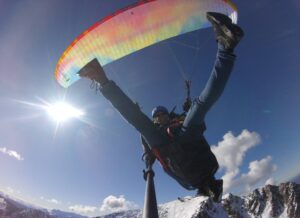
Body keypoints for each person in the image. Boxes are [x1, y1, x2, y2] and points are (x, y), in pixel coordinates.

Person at [78, 12, 244, 202]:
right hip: (172, 144)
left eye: (161, 114)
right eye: (156, 116)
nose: (158, 117)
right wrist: (148, 156)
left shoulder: (177, 122)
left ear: (166, 115)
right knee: (141, 119)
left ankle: (100, 78)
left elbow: (191, 122)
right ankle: (226, 48)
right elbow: (147, 129)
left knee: (148, 118)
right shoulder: (159, 131)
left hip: (174, 141)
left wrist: (186, 115)